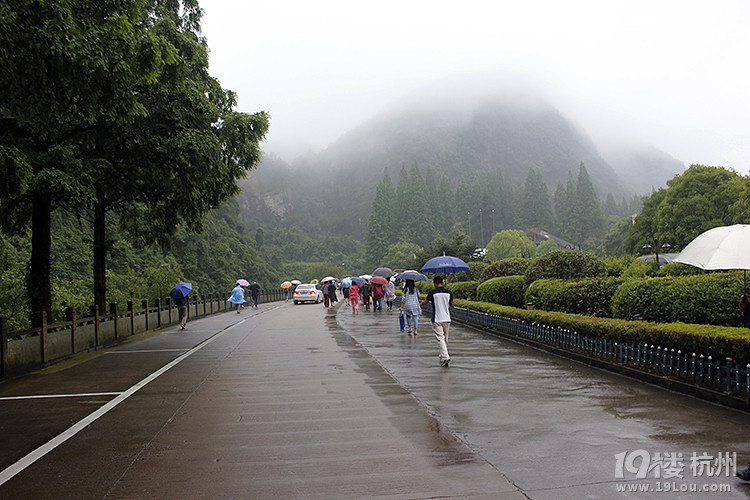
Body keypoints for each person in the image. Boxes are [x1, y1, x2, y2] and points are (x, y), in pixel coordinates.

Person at [420, 275, 454, 367]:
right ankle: (442, 355)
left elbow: (425, 302)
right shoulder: (448, 292)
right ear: (442, 283)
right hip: (447, 318)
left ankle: (445, 356)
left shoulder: (432, 292)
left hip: (437, 318)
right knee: (445, 338)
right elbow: (452, 304)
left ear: (434, 283)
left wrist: (421, 305)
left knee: (440, 338)